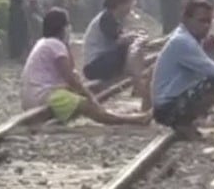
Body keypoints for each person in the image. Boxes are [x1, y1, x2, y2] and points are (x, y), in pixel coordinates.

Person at [22, 8, 151, 125]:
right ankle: (134, 119)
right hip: (44, 96)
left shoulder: (45, 42)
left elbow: (71, 70)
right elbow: (71, 78)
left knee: (81, 101)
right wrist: (90, 97)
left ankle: (128, 117)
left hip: (34, 96)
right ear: (63, 28)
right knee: (89, 106)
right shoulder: (55, 45)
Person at [151, 0, 214, 138]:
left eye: (208, 21)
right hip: (167, 108)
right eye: (201, 21)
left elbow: (213, 63)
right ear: (186, 19)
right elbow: (210, 67)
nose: (206, 26)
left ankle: (185, 121)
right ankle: (182, 123)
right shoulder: (183, 41)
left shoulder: (190, 38)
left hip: (169, 103)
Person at [81, 0, 150, 108]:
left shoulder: (115, 19)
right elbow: (119, 41)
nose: (130, 9)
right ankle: (137, 82)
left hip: (104, 61)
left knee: (135, 47)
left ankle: (137, 81)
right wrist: (135, 36)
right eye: (130, 5)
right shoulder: (106, 17)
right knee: (132, 48)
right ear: (121, 4)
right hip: (94, 65)